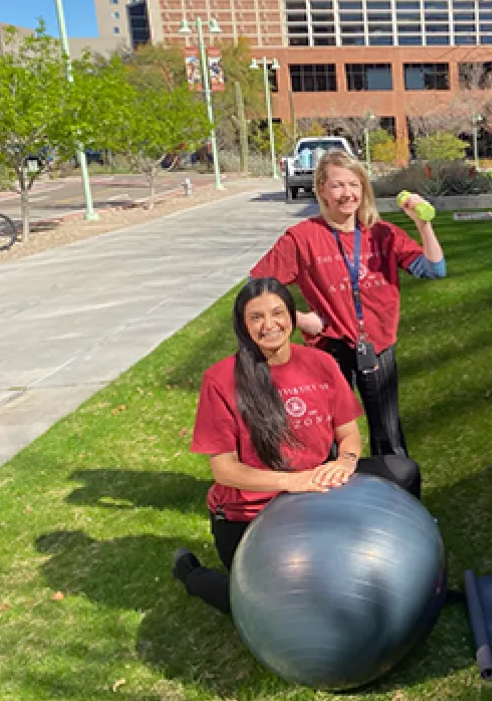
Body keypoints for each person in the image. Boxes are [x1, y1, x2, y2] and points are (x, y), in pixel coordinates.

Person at [172, 278, 420, 614]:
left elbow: (349, 435)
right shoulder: (221, 380)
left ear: (291, 315)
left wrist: (345, 462)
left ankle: (412, 563)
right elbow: (224, 470)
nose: (269, 324)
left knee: (402, 471)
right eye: (256, 317)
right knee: (274, 610)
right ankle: (192, 575)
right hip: (252, 512)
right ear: (243, 325)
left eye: (277, 313)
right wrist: (292, 481)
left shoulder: (320, 363)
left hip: (315, 493)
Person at [251, 150, 445, 461]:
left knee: (388, 431)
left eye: (354, 185)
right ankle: (330, 498)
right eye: (338, 185)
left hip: (378, 345)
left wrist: (424, 226)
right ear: (322, 190)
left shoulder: (382, 234)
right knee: (328, 431)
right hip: (330, 347)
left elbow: (435, 269)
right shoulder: (301, 238)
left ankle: (397, 497)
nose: (347, 194)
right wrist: (299, 318)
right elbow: (258, 287)